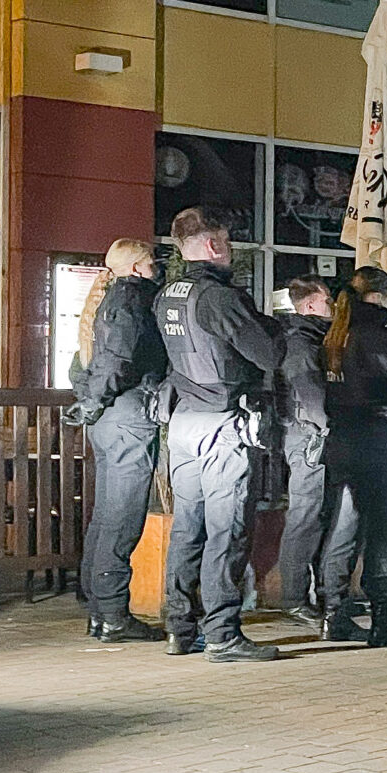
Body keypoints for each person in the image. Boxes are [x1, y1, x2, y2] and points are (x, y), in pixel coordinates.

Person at [155, 208, 283, 662]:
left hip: (183, 423)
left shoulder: (168, 294)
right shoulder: (219, 298)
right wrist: (273, 327)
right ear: (213, 245)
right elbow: (267, 355)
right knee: (226, 531)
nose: (229, 249)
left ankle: (179, 628)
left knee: (187, 529)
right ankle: (224, 634)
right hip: (221, 424)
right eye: (226, 241)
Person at [316, 266, 387, 646]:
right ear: (382, 294)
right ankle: (384, 618)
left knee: (343, 528)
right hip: (381, 438)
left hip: (342, 438)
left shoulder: (336, 332)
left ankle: (334, 613)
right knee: (386, 529)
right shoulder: (376, 331)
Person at [66, 238, 166, 643]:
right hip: (128, 416)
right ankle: (113, 614)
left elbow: (87, 365)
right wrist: (97, 399)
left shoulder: (105, 300)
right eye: (153, 263)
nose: (157, 268)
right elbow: (119, 360)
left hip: (108, 420)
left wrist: (90, 401)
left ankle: (99, 609)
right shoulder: (134, 300)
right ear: (139, 267)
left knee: (107, 515)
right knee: (123, 519)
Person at [272, 276, 335, 635]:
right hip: (309, 437)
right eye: (327, 300)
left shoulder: (307, 337)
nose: (332, 306)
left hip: (307, 434)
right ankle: (295, 598)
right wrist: (327, 427)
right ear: (310, 305)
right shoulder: (301, 342)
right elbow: (311, 395)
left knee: (315, 515)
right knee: (305, 516)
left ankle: (317, 594)